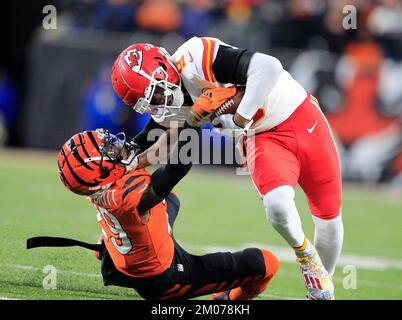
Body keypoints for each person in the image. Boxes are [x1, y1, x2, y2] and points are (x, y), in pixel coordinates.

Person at [111, 36, 343, 300]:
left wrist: (239, 118)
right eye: (148, 103)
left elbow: (269, 67)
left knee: (330, 219)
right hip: (263, 136)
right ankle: (305, 254)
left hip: (300, 115)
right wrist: (124, 166)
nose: (159, 104)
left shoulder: (196, 58)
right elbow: (159, 146)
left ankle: (322, 287)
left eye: (156, 94)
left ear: (162, 68)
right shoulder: (168, 105)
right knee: (278, 204)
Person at [52, 118, 279, 300]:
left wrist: (174, 106)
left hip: (135, 253)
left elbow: (149, 138)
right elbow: (177, 166)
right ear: (99, 175)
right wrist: (195, 119)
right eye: (108, 149)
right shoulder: (127, 196)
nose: (116, 145)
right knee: (265, 263)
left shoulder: (103, 186)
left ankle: (109, 247)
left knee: (171, 198)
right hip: (164, 279)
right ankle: (228, 300)